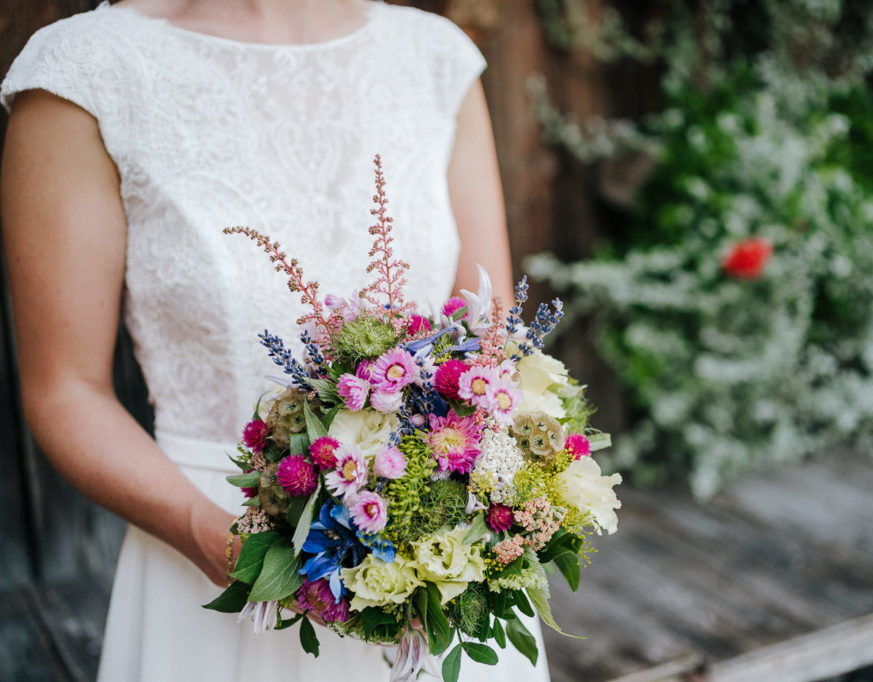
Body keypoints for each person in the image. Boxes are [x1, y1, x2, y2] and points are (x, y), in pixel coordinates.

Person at [1, 0, 550, 679]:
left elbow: (489, 343)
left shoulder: (436, 57)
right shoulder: (86, 72)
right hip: (213, 561)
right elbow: (64, 389)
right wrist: (207, 533)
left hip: (445, 574)